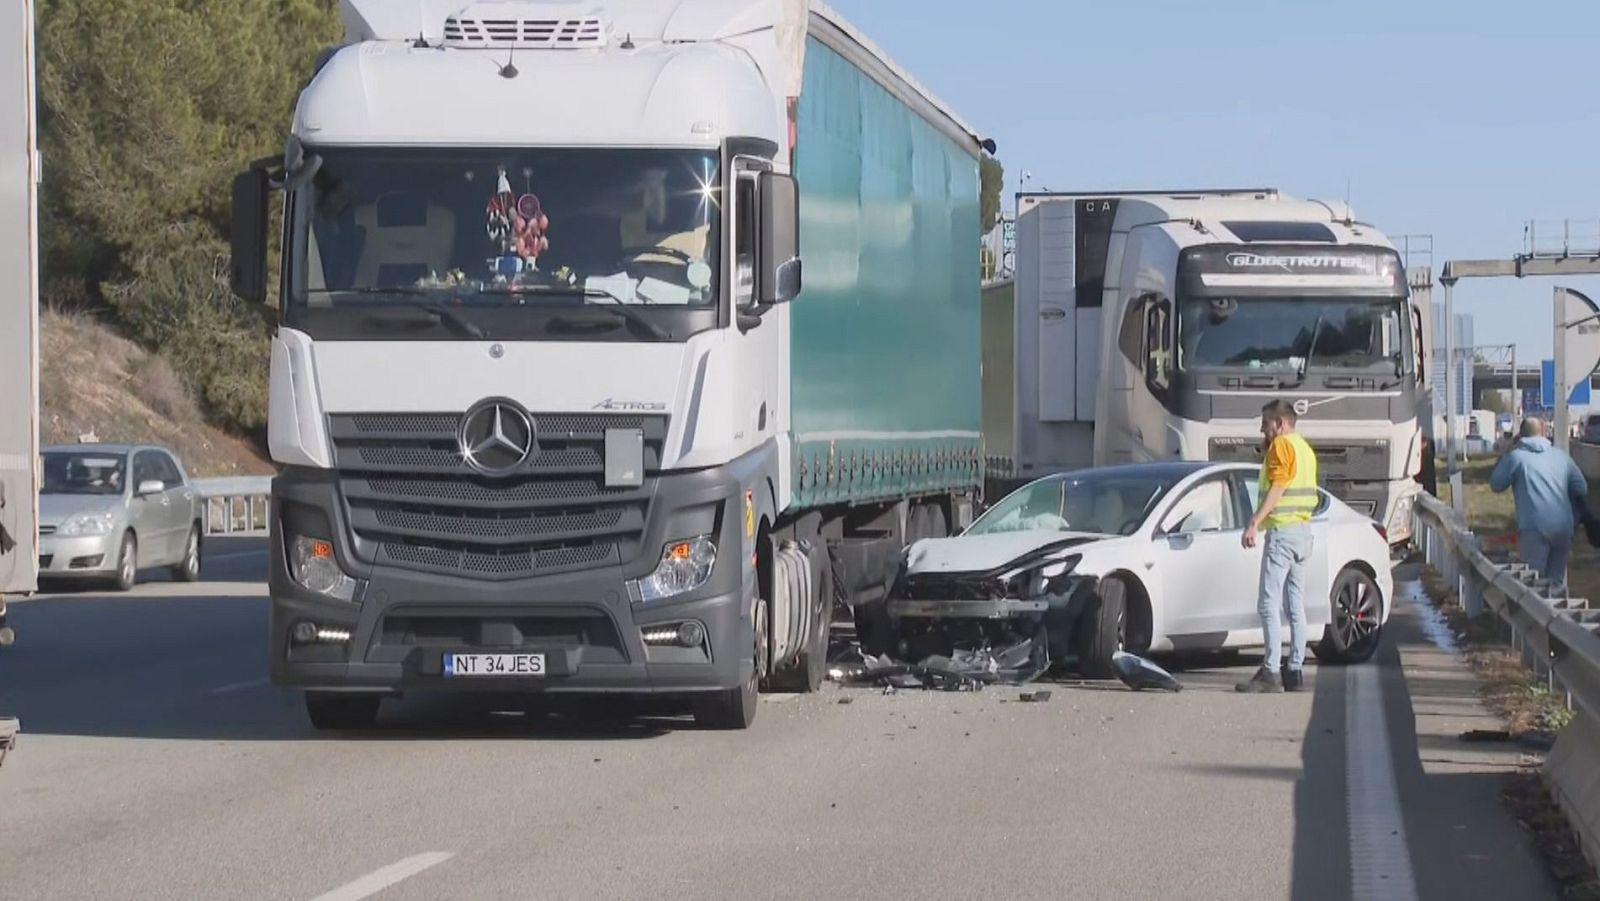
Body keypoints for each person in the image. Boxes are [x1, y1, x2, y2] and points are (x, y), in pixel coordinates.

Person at [1237, 400, 1320, 694]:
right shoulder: (1305, 450)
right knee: (1295, 604)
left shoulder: (1282, 445)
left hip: (1283, 532)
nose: (1263, 430)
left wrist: (1255, 521)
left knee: (1268, 603)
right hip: (1303, 532)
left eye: (1266, 423)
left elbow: (1279, 486)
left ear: (1281, 423)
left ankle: (1271, 670)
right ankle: (1294, 671)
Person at [1490, 417, 1589, 593]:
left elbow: (1496, 484)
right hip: (1564, 526)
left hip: (1534, 527)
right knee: (1556, 583)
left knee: (1532, 585)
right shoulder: (1560, 456)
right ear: (1542, 433)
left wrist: (1507, 452)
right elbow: (1581, 488)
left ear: (1520, 435)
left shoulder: (1516, 457)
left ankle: (1535, 611)